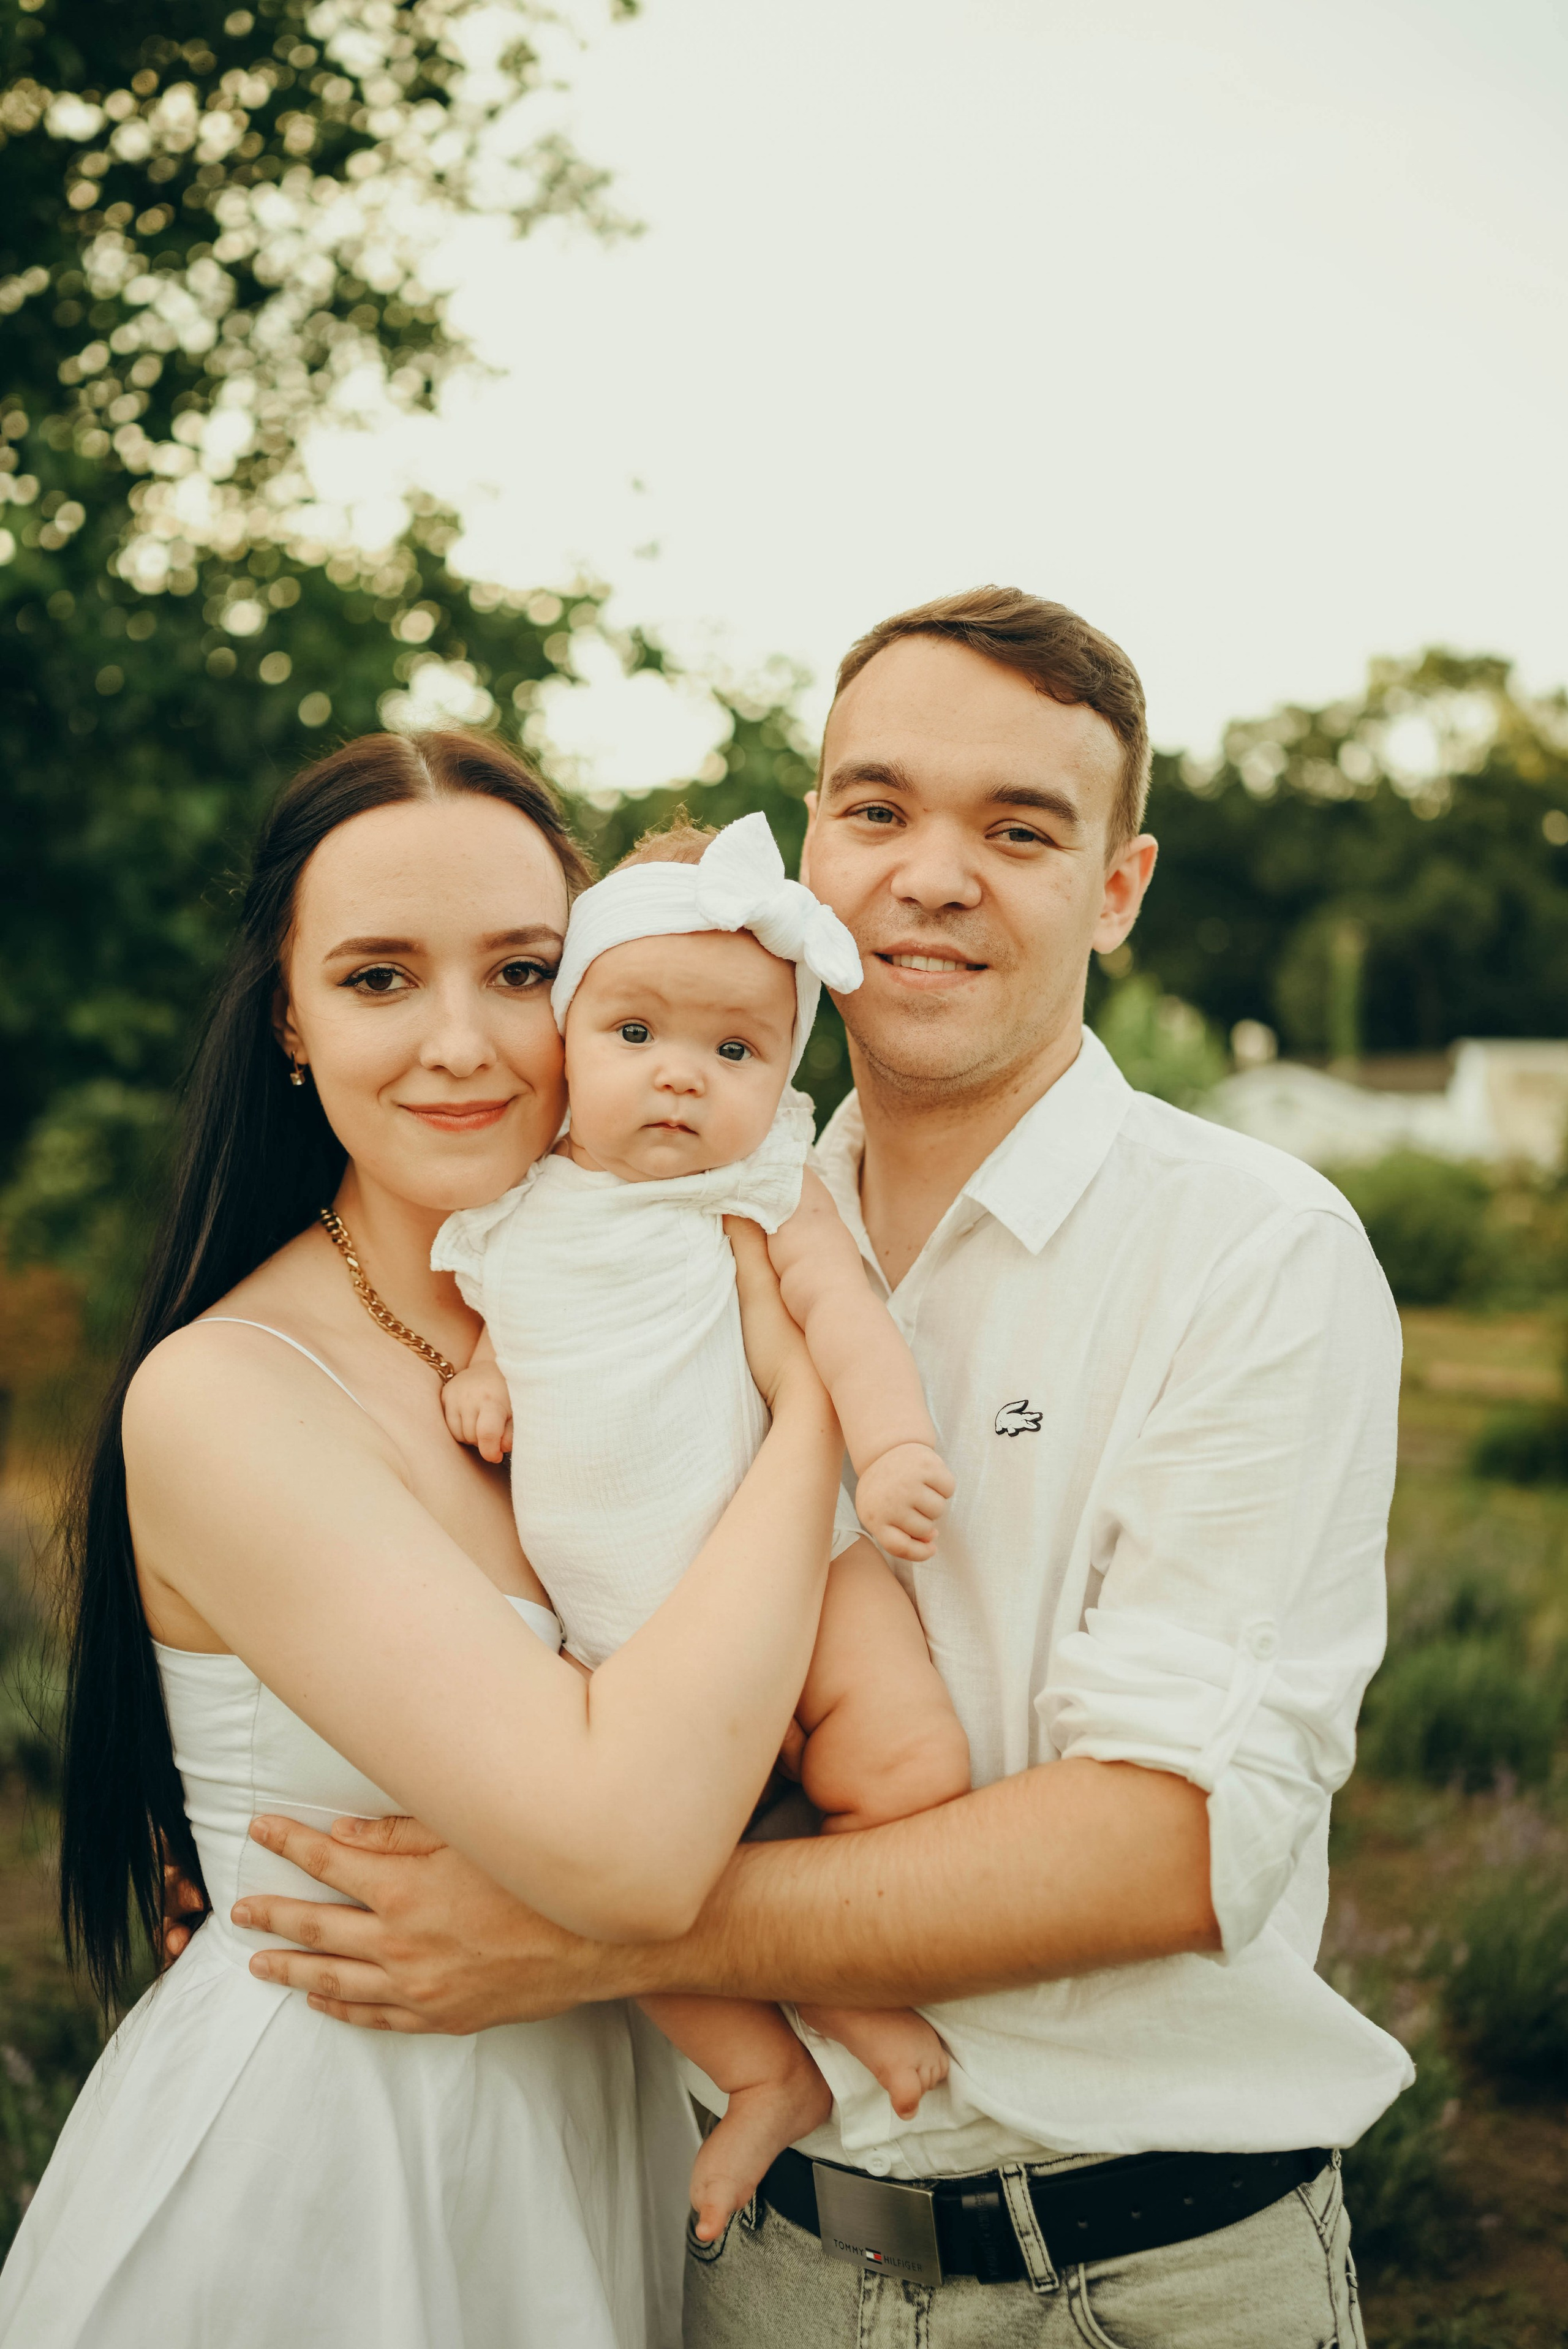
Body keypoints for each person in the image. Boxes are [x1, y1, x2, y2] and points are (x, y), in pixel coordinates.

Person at [178, 590, 1415, 2348]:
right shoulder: (666, 1211)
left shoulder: (1249, 1250)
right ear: (811, 852)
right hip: (742, 2261)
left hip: (1131, 2275)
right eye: (879, 808)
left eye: (1020, 828)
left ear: (1119, 890)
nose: (931, 873)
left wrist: (597, 1932)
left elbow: (1173, 1843)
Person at [0, 730, 854, 2349]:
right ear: (292, 1022)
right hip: (341, 2173)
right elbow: (631, 1847)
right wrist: (815, 1410)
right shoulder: (232, 1393)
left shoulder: (633, 1326)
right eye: (380, 976)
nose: (461, 1042)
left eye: (522, 968)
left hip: (597, 2132)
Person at [435, 807, 970, 2242]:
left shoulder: (759, 1186)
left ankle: (848, 1962)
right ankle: (765, 2068)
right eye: (634, 1035)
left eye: (734, 1052)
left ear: (777, 1074)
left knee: (909, 1754)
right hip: (629, 1636)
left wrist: (896, 1440)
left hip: (800, 1567)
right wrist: (485, 1374)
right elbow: (495, 1327)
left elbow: (843, 1317)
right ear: (565, 1043)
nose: (680, 1076)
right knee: (596, 1887)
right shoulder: (511, 1211)